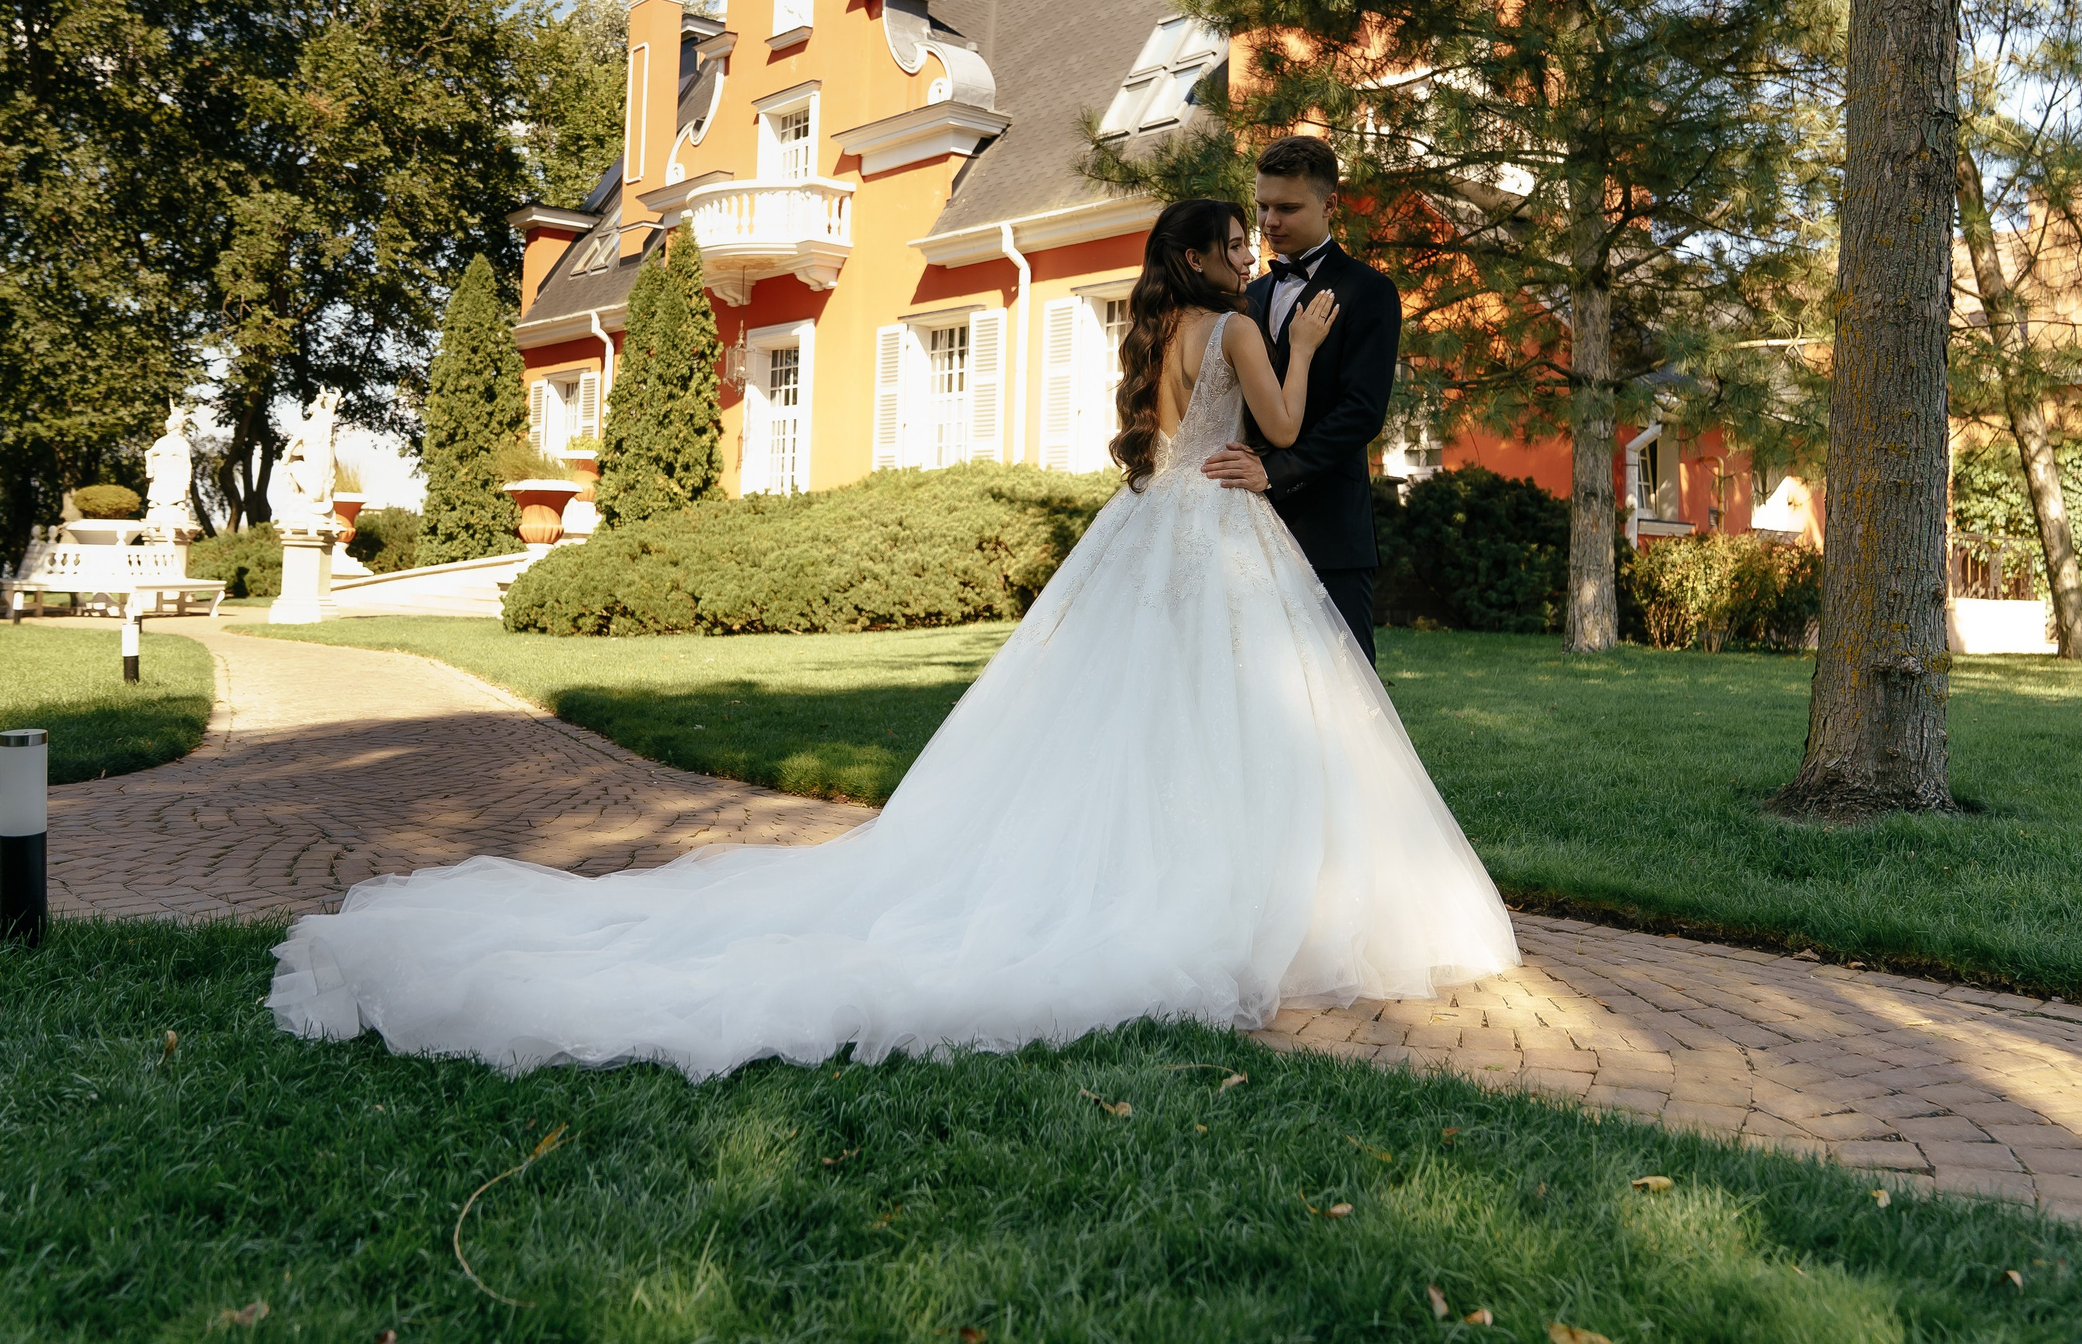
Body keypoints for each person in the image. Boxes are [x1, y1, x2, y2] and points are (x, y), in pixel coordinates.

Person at [266, 197, 1517, 1078]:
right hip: (1228, 528)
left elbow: (1170, 438)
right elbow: (1287, 424)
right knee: (1238, 719)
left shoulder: (1155, 335)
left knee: (1137, 716)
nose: (1250, 248)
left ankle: (1168, 869)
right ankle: (1253, 892)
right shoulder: (1244, 325)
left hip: (1151, 531)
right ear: (1201, 256)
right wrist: (1297, 343)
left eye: (1260, 231)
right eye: (1235, 238)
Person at [1202, 135, 1397, 664]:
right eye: (1263, 206)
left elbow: (1362, 412)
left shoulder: (1369, 292)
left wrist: (1275, 471)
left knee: (1349, 686)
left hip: (1329, 527)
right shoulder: (1250, 295)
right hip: (1243, 526)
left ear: (1330, 203)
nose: (1269, 222)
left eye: (1287, 208)